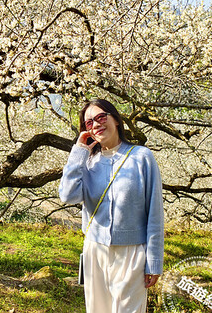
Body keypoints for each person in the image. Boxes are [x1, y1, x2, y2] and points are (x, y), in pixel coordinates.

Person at [59, 98, 163, 313]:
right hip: (94, 251)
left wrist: (153, 261)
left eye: (100, 117)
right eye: (89, 123)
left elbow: (155, 213)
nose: (96, 124)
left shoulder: (142, 157)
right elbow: (67, 196)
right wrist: (79, 150)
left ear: (115, 119)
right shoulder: (87, 162)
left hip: (132, 252)